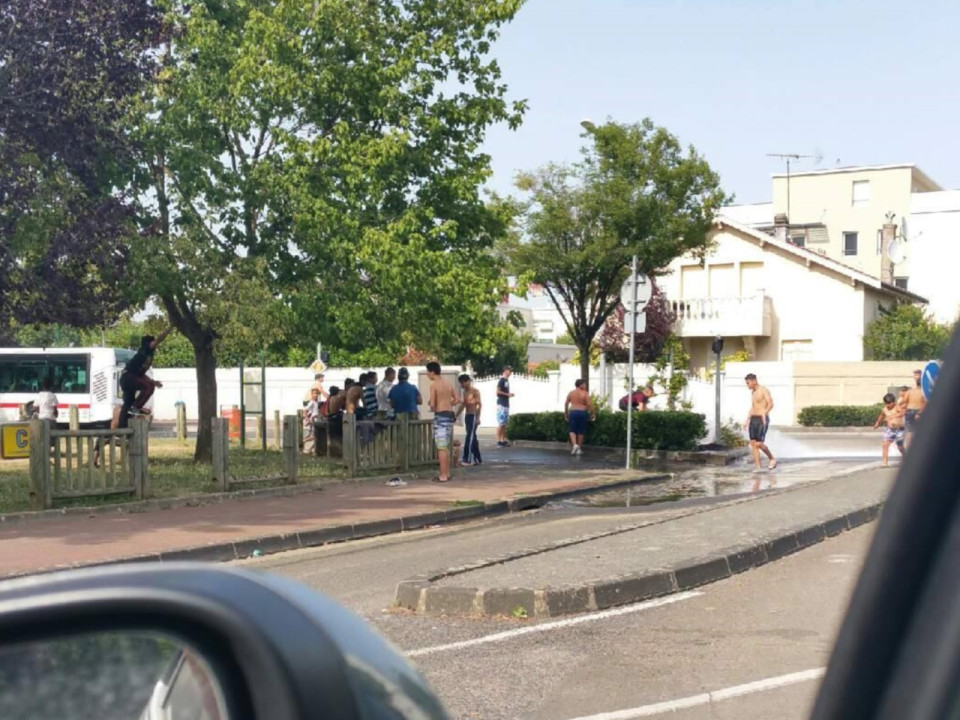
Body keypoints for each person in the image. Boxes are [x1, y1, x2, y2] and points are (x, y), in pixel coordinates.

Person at [119, 329, 171, 428]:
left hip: (129, 377)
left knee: (128, 403)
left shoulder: (144, 355)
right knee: (149, 387)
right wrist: (170, 328)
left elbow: (140, 374)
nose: (156, 345)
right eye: (153, 343)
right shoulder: (146, 350)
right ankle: (136, 407)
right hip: (128, 377)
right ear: (149, 343)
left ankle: (122, 426)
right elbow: (159, 339)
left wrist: (152, 381)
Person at [427, 362, 458, 483]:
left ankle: (443, 475)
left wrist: (432, 405)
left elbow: (433, 404)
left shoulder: (434, 385)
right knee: (445, 446)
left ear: (432, 372)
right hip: (450, 415)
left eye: (428, 372)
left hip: (440, 416)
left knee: (441, 447)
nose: (427, 375)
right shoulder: (448, 383)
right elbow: (457, 399)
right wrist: (448, 404)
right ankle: (447, 473)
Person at [743, 373, 777, 471]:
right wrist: (747, 419)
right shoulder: (752, 392)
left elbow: (771, 403)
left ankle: (772, 459)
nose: (747, 385)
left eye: (748, 383)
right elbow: (753, 407)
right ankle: (758, 467)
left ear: (754, 381)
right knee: (753, 443)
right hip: (753, 418)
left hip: (762, 419)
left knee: (759, 444)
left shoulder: (763, 390)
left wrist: (764, 413)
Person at [873, 393, 906, 467]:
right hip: (890, 430)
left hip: (899, 430)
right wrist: (878, 423)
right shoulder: (884, 409)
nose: (888, 405)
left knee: (900, 447)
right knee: (885, 445)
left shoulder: (897, 407)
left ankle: (906, 458)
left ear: (893, 402)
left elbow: (903, 412)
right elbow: (881, 416)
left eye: (889, 403)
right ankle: (885, 463)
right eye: (886, 403)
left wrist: (892, 416)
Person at [457, 374, 482, 466]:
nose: (462, 385)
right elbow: (463, 404)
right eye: (461, 383)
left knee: (469, 437)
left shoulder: (475, 391)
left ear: (468, 381)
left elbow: (479, 405)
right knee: (473, 437)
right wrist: (456, 415)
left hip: (473, 415)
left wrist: (478, 418)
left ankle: (467, 459)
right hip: (467, 416)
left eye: (463, 382)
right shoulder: (465, 392)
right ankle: (477, 458)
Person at [565, 379, 595, 455]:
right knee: (581, 431)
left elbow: (566, 403)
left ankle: (575, 445)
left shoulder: (571, 393)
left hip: (573, 412)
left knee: (572, 430)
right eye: (584, 384)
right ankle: (579, 448)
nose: (585, 386)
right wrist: (592, 413)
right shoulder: (585, 393)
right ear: (580, 385)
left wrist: (566, 413)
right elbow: (589, 404)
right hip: (582, 413)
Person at [904, 369, 926, 449]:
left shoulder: (910, 392)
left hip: (909, 411)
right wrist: (920, 413)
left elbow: (904, 402)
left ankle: (908, 451)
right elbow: (925, 403)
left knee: (909, 432)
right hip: (919, 412)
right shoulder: (924, 393)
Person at [496, 366, 514, 448]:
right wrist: (508, 394)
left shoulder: (506, 381)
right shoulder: (502, 380)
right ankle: (499, 440)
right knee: (501, 423)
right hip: (501, 404)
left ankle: (503, 440)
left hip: (506, 404)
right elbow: (497, 392)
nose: (510, 372)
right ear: (505, 371)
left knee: (504, 423)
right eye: (509, 371)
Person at [303, 387, 321, 454]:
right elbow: (305, 411)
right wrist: (308, 419)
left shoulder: (317, 403)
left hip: (316, 421)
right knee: (315, 436)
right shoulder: (312, 402)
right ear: (312, 394)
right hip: (312, 421)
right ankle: (303, 441)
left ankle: (310, 450)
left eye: (316, 393)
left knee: (316, 436)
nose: (315, 395)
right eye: (314, 393)